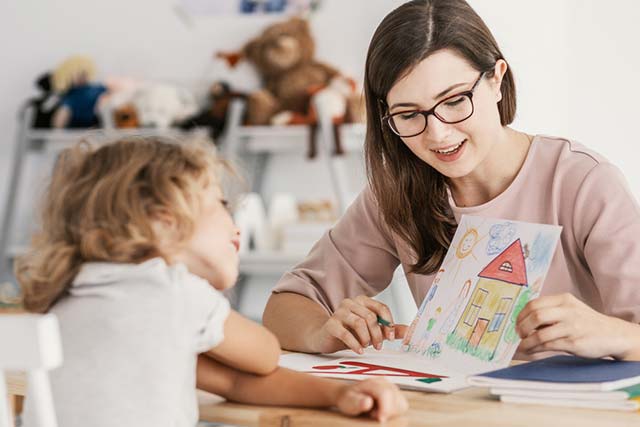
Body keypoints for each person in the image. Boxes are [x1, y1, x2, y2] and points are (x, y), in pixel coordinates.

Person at [263, 0, 640, 361]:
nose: (438, 135)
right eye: (409, 115)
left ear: (496, 79)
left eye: (456, 100)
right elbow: (286, 306)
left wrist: (612, 333)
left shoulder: (583, 182)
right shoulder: (396, 194)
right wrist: (323, 330)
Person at [16, 137, 408, 426]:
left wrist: (340, 393)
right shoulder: (175, 293)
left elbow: (230, 381)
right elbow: (264, 356)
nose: (232, 221)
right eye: (220, 204)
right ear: (163, 221)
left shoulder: (66, 297)